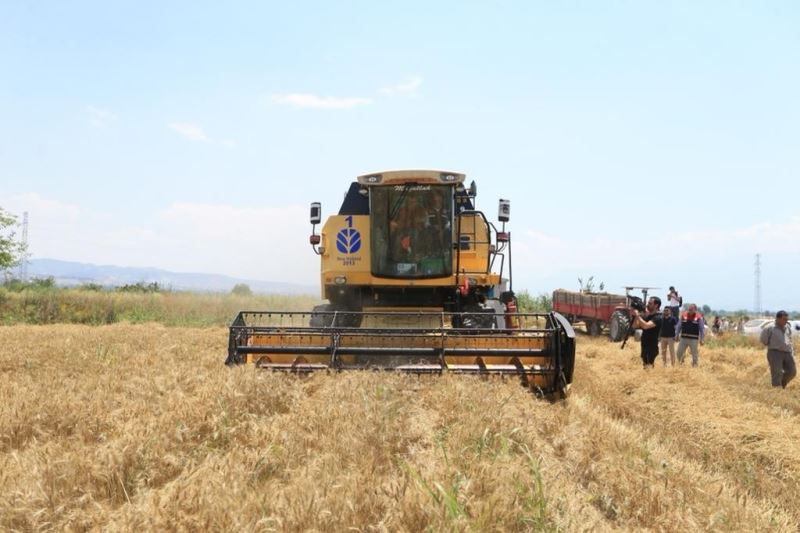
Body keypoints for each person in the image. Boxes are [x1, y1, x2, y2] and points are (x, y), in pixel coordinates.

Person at [759, 310, 796, 389]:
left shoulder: (787, 328)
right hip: (775, 352)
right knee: (777, 372)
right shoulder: (770, 328)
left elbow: (790, 340)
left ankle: (781, 384)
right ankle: (777, 390)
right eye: (784, 319)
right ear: (778, 319)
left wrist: (792, 352)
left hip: (787, 352)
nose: (786, 321)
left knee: (792, 371)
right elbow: (763, 339)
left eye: (787, 319)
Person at [631, 296, 663, 368]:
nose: (647, 305)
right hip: (645, 344)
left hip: (651, 346)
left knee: (649, 366)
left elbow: (646, 326)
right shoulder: (648, 316)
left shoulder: (658, 317)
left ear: (656, 305)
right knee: (645, 365)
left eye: (650, 303)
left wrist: (638, 316)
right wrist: (636, 316)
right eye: (648, 303)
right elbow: (635, 326)